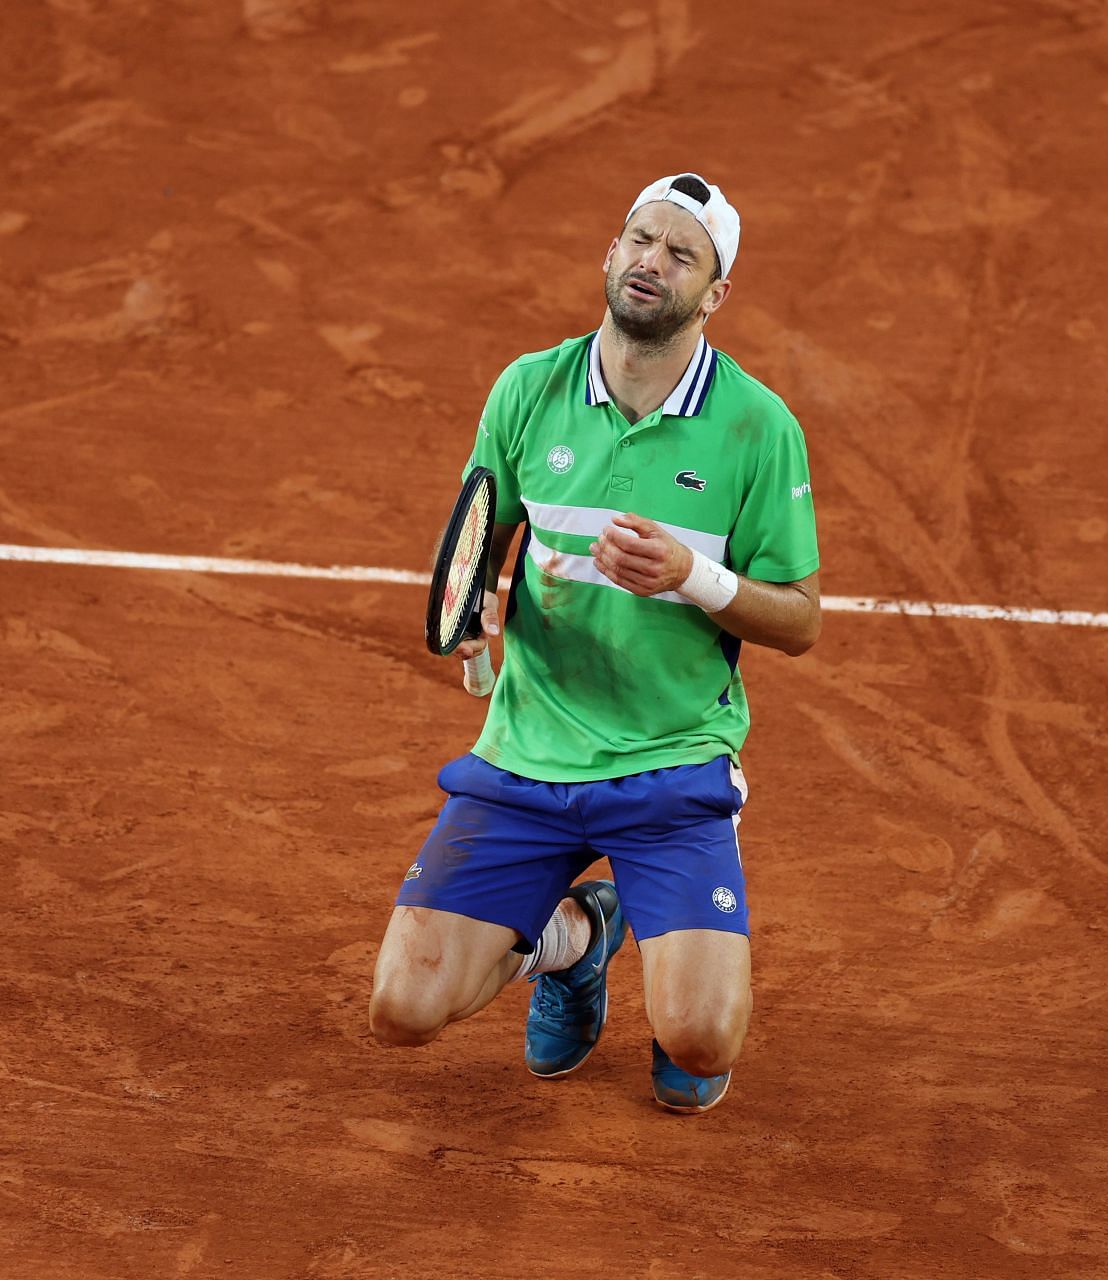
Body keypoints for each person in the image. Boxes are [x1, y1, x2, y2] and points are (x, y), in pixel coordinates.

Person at [367, 173, 820, 1114]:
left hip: (672, 763)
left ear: (715, 293)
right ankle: (574, 944)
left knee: (698, 1045)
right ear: (611, 256)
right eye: (640, 241)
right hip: (527, 757)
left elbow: (800, 619)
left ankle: (652, 973)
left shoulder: (758, 427)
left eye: (682, 253)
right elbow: (478, 542)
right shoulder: (527, 390)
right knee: (402, 1010)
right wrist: (481, 613)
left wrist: (692, 578)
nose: (654, 261)